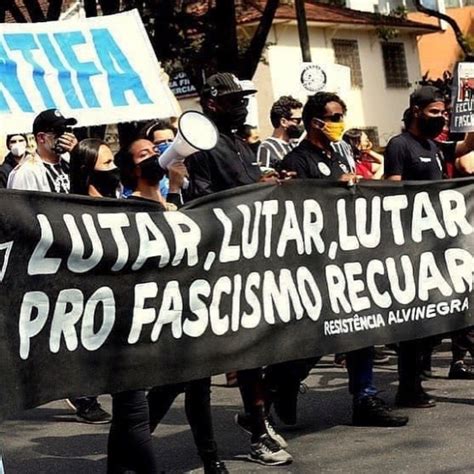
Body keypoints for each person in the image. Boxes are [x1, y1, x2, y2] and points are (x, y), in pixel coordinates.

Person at [280, 91, 409, 427]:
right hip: (317, 265)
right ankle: (282, 384)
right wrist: (332, 187)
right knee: (315, 339)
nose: (340, 123)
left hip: (348, 261)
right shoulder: (298, 161)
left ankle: (365, 397)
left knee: (360, 329)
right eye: (334, 117)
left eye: (341, 116)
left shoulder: (339, 155)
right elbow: (295, 209)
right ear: (315, 122)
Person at [187, 72, 293, 466]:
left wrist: (269, 183)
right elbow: (201, 199)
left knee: (258, 348)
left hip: (250, 256)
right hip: (223, 263)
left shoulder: (237, 141)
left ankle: (256, 419)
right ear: (213, 102)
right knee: (229, 357)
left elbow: (248, 184)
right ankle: (254, 431)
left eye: (243, 99)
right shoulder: (201, 143)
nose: (243, 105)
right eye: (235, 100)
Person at [111, 137, 227, 474]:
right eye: (144, 154)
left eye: (155, 151)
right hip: (146, 316)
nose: (154, 156)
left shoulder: (172, 201)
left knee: (198, 382)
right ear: (132, 168)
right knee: (139, 403)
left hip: (179, 310)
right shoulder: (127, 208)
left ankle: (211, 459)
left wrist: (175, 191)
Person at [8, 110, 112, 425]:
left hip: (75, 258)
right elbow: (18, 220)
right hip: (46, 262)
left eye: (68, 132)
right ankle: (81, 395)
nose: (65, 138)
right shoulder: (28, 172)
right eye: (58, 133)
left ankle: (79, 390)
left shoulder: (69, 166)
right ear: (41, 138)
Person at [385, 85, 474, 405]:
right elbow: (390, 193)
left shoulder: (435, 147)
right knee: (419, 322)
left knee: (439, 319)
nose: (440, 118)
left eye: (444, 113)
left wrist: (469, 113)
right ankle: (408, 386)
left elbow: (466, 146)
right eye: (434, 112)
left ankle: (414, 377)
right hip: (413, 246)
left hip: (440, 243)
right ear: (416, 111)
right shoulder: (400, 146)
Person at [257, 95, 303, 169]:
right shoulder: (267, 147)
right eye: (297, 120)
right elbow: (266, 177)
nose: (300, 124)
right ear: (283, 122)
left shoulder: (296, 145)